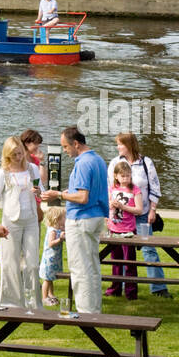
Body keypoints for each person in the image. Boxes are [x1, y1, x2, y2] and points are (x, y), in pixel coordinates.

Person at [41, 126, 109, 315]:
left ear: (76, 144)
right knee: (92, 266)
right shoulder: (98, 160)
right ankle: (94, 310)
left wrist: (59, 194)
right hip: (96, 218)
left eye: (65, 147)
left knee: (80, 269)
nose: (65, 151)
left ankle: (85, 312)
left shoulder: (83, 163)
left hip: (81, 219)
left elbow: (82, 197)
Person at [107, 132, 170, 297]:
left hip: (141, 216)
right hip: (121, 218)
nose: (117, 147)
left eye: (120, 144)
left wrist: (153, 209)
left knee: (148, 248)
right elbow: (110, 188)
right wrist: (110, 213)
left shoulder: (146, 163)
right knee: (119, 252)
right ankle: (118, 286)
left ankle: (158, 287)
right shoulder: (115, 163)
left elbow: (155, 188)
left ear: (129, 145)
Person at [0, 136, 42, 309]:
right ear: (7, 155)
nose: (18, 157)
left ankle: (34, 305)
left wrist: (38, 192)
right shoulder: (3, 173)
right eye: (13, 155)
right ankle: (10, 303)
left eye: (19, 153)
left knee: (33, 263)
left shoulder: (33, 169)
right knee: (9, 262)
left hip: (31, 221)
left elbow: (41, 193)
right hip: (10, 223)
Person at [105, 161, 143, 299]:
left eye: (128, 176)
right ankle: (115, 289)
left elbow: (139, 210)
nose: (126, 179)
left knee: (129, 263)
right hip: (114, 229)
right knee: (116, 262)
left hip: (128, 231)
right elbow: (106, 205)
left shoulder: (135, 190)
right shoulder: (111, 189)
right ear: (116, 176)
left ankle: (131, 292)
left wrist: (123, 207)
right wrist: (111, 205)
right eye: (123, 176)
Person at [39, 205, 66, 306]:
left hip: (54, 258)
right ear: (57, 219)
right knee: (47, 279)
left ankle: (51, 294)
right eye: (64, 217)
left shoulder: (57, 228)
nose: (65, 219)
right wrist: (60, 239)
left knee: (51, 278)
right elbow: (51, 243)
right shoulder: (52, 231)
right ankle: (45, 297)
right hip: (49, 259)